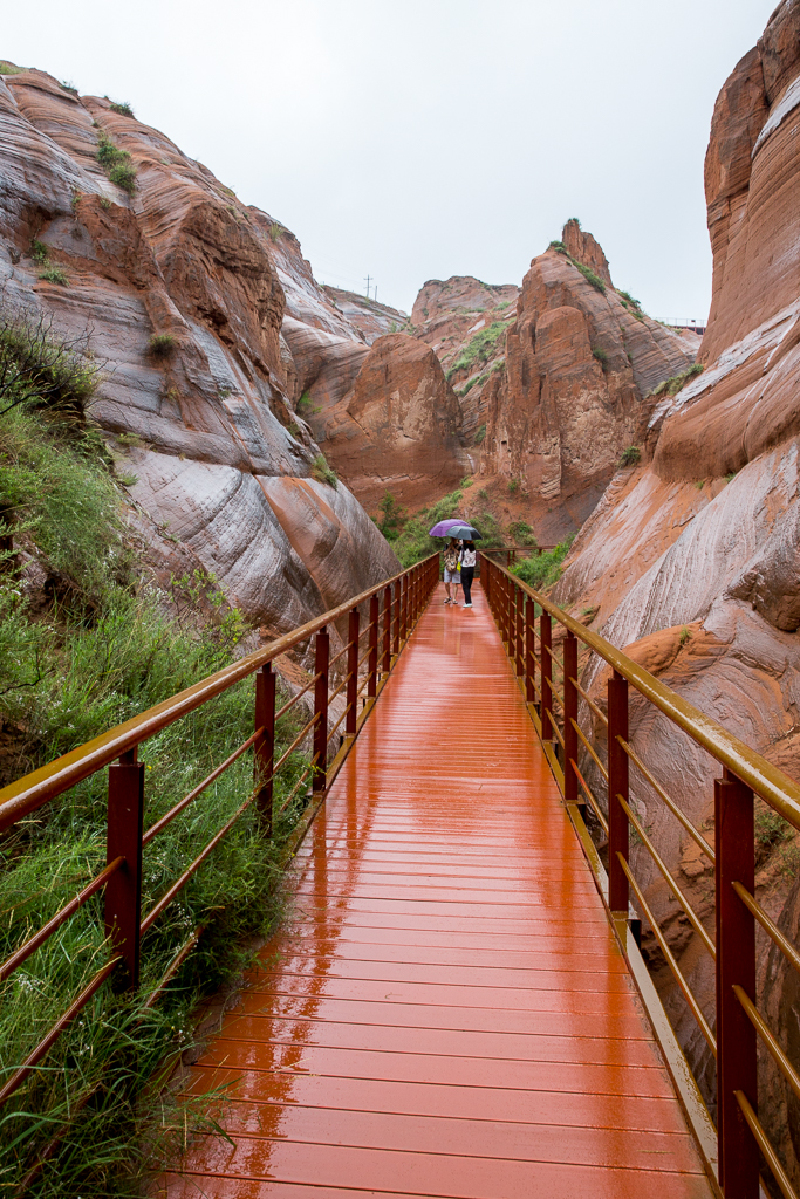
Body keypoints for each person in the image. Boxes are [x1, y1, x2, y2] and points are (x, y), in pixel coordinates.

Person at [459, 540, 477, 607]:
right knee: (469, 585)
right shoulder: (474, 551)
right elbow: (475, 561)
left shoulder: (463, 550)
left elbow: (459, 559)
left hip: (464, 568)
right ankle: (468, 600)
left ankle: (468, 602)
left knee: (465, 586)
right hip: (471, 569)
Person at [443, 538, 459, 604]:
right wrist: (450, 548)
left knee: (455, 583)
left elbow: (459, 554)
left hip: (456, 566)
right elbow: (444, 554)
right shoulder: (446, 545)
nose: (454, 540)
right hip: (447, 565)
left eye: (455, 539)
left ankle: (454, 598)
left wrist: (454, 549)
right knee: (446, 582)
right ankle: (448, 596)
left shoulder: (459, 546)